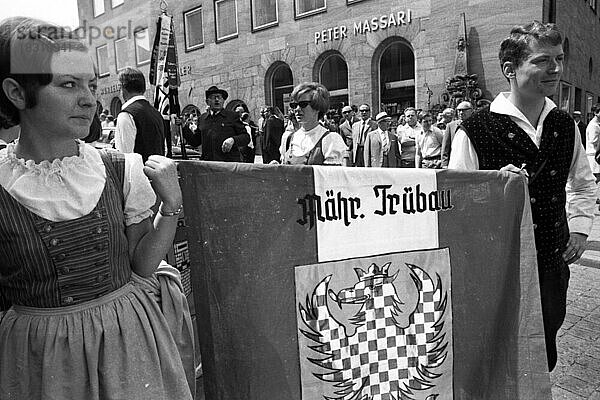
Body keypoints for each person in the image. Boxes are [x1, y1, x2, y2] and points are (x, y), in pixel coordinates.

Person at [0, 17, 194, 399]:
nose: (89, 99)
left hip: (127, 342)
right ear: (17, 93)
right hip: (43, 360)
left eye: (89, 84)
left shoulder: (117, 167)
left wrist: (169, 206)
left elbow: (141, 264)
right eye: (68, 85)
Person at [449, 21, 596, 371]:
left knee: (544, 343)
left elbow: (582, 183)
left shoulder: (565, 124)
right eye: (543, 60)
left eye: (558, 59)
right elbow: (454, 200)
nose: (556, 69)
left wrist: (579, 228)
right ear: (509, 70)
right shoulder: (474, 130)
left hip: (551, 259)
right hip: (497, 264)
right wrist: (491, 190)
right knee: (498, 353)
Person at [277, 82, 347, 165]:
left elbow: (332, 176)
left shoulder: (330, 140)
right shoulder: (288, 138)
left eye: (303, 104)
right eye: (294, 105)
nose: (297, 109)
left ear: (317, 107)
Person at [183, 85, 249, 162]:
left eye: (219, 97)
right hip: (209, 164)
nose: (217, 100)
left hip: (228, 164)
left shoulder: (232, 116)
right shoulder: (202, 119)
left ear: (223, 101)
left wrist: (233, 140)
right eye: (214, 97)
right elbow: (196, 142)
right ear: (207, 102)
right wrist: (184, 127)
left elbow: (246, 137)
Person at [114, 67, 165, 161]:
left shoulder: (126, 115)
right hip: (156, 172)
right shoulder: (156, 113)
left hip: (137, 173)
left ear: (122, 89)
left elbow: (125, 157)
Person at [441, 101, 473, 168]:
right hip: (455, 162)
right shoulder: (451, 126)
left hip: (472, 162)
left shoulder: (476, 125)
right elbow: (445, 148)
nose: (461, 113)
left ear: (471, 111)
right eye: (459, 110)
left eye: (464, 110)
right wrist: (444, 164)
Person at [585, 104, 600, 195]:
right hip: (594, 154)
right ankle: (590, 194)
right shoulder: (593, 125)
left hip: (595, 154)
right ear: (596, 113)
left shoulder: (597, 124)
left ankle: (594, 195)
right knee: (596, 177)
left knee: (597, 177)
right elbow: (593, 140)